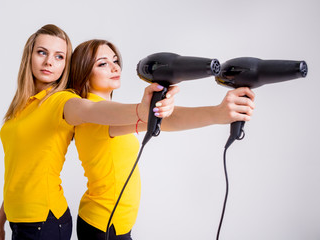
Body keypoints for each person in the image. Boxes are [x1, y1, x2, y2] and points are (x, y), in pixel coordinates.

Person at [0, 25, 177, 240]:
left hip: (44, 221)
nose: (49, 61)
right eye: (42, 52)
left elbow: (91, 109)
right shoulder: (21, 108)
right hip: (18, 221)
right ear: (29, 56)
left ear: (65, 66)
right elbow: (17, 173)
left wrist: (142, 110)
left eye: (59, 56)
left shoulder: (62, 101)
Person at [66, 39, 255, 240]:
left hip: (114, 222)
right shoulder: (92, 113)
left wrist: (217, 114)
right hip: (104, 225)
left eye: (115, 60)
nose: (115, 67)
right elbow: (110, 112)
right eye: (102, 63)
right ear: (84, 72)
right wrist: (144, 110)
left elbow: (162, 121)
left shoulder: (112, 113)